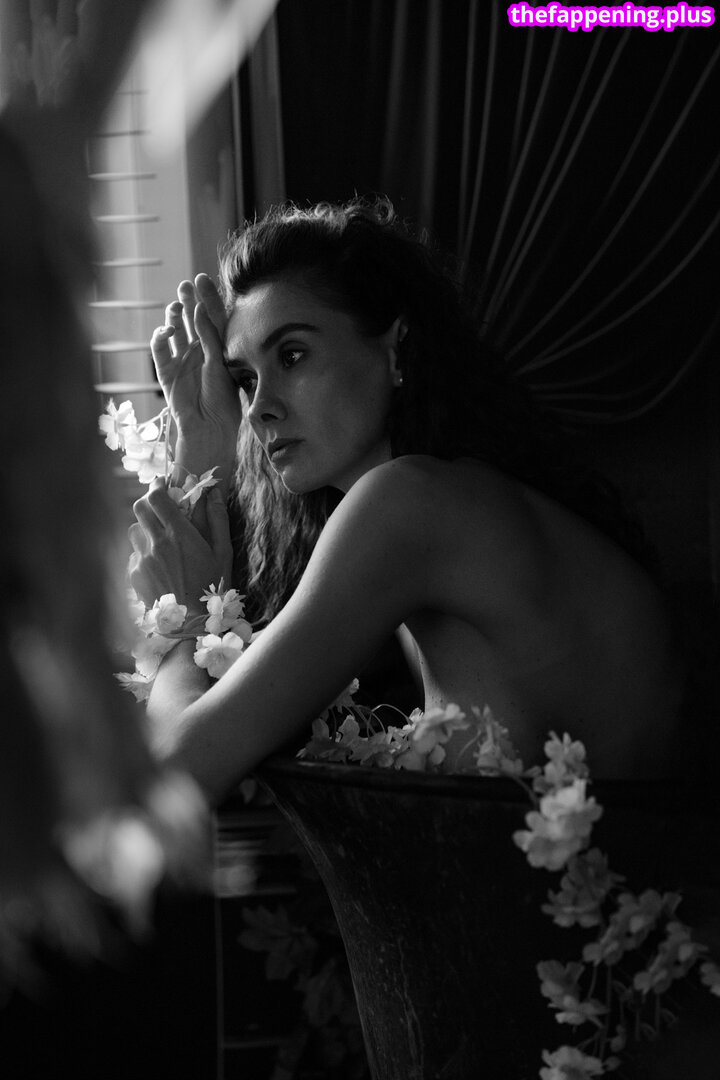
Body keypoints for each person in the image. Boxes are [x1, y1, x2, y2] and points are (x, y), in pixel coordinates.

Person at [130, 197, 683, 805]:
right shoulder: (439, 510)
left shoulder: (408, 507)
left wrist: (181, 623)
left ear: (395, 349)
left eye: (292, 355)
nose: (260, 407)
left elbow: (173, 777)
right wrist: (203, 444)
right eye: (244, 380)